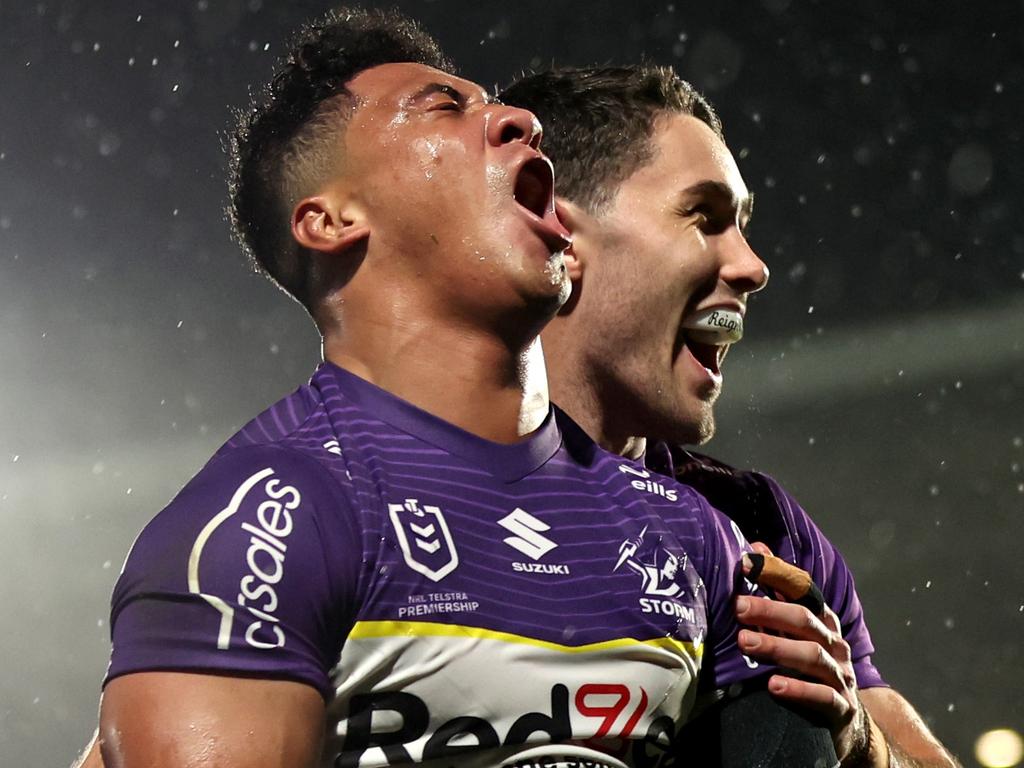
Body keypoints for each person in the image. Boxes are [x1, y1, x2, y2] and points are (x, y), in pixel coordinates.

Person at [74, 9, 837, 768]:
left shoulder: (699, 539)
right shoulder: (266, 530)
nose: (519, 121)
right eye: (445, 107)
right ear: (331, 219)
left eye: (496, 104)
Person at [500, 65, 961, 767]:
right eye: (705, 217)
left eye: (742, 227)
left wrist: (858, 742)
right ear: (562, 237)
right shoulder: (381, 501)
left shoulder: (760, 527)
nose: (753, 267)